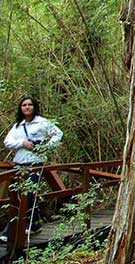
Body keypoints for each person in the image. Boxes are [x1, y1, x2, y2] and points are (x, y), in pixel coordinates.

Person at [0, 95, 63, 242]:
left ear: (34, 107)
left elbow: (58, 134)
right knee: (21, 195)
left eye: (29, 105)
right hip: (20, 164)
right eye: (24, 105)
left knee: (27, 195)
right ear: (20, 108)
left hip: (35, 163)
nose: (27, 107)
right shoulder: (18, 126)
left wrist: (45, 147)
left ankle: (10, 231)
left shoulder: (42, 123)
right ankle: (34, 224)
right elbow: (7, 142)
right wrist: (22, 143)